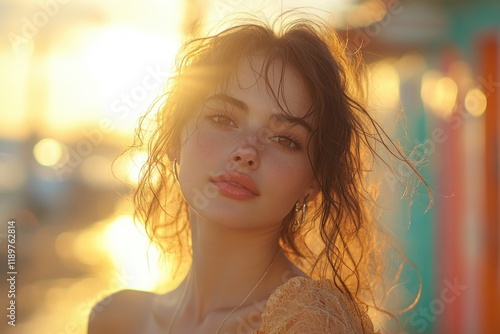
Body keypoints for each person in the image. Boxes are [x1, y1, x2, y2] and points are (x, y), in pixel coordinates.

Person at [88, 13, 426, 334]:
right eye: (223, 119)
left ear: (313, 182)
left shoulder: (306, 324)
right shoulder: (118, 318)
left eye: (284, 139)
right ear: (175, 136)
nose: (247, 151)